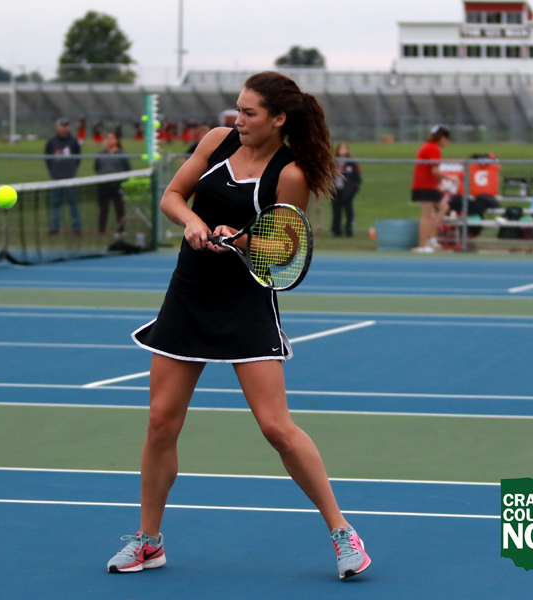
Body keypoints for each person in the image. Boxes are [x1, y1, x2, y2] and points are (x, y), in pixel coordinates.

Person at [107, 71, 372, 581]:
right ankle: (148, 541)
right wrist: (192, 221)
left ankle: (343, 532)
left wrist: (240, 238)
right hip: (189, 294)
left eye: (249, 112)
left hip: (245, 301)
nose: (239, 119)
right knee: (161, 422)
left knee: (276, 428)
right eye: (238, 109)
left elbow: (284, 248)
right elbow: (172, 195)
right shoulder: (217, 141)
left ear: (278, 119)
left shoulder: (289, 174)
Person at [410, 125, 459, 253]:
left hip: (428, 185)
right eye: (446, 139)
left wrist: (438, 181)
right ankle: (423, 245)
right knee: (426, 215)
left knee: (444, 207)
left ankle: (431, 236)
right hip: (424, 186)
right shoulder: (433, 148)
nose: (447, 142)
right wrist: (450, 178)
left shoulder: (429, 147)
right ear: (442, 138)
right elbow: (435, 170)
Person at [44, 117, 82, 234]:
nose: (64, 128)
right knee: (55, 203)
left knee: (73, 202)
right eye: (61, 126)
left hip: (70, 177)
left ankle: (76, 227)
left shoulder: (73, 141)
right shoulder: (52, 141)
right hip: (56, 177)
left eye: (65, 126)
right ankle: (55, 227)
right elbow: (47, 158)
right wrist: (52, 171)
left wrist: (72, 170)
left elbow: (78, 157)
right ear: (57, 127)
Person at [94, 132, 131, 234]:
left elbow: (127, 168)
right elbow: (97, 167)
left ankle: (121, 229)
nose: (110, 140)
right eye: (108, 138)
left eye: (112, 138)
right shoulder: (101, 154)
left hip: (117, 185)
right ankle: (101, 229)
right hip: (103, 185)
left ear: (116, 140)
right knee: (103, 208)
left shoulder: (121, 154)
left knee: (119, 208)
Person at [330, 142, 362, 237]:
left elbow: (357, 178)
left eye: (344, 149)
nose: (342, 151)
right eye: (341, 149)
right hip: (336, 190)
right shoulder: (333, 162)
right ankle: (336, 231)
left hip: (347, 192)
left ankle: (348, 230)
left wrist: (352, 190)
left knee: (349, 212)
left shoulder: (351, 163)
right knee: (336, 212)